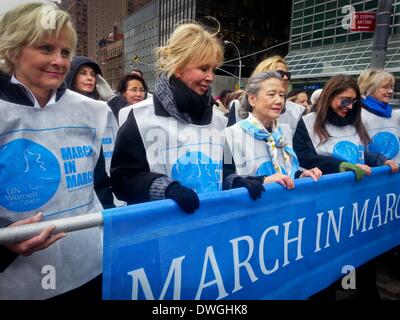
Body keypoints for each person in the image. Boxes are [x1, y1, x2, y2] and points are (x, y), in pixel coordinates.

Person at [0, 2, 118, 299]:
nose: (58, 61)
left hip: (88, 266)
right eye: (45, 49)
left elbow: (100, 186)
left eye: (66, 52)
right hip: (16, 278)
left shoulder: (92, 112)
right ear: (13, 50)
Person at [110, 23, 265, 214]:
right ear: (178, 68)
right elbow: (122, 180)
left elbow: (225, 170)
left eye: (213, 69)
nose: (210, 77)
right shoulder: (140, 118)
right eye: (203, 68)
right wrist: (165, 189)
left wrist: (237, 182)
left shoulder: (219, 120)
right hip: (162, 233)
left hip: (209, 228)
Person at [293, 74, 397, 300]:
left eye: (354, 101)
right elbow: (304, 158)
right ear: (330, 96)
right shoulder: (309, 123)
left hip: (357, 210)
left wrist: (379, 160)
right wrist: (339, 165)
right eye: (345, 100)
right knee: (327, 271)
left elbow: (362, 153)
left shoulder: (355, 120)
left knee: (362, 261)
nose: (349, 107)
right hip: (325, 212)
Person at [225, 71, 321, 190]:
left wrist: (300, 175)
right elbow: (226, 179)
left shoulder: (283, 133)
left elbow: (285, 171)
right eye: (271, 94)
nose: (279, 101)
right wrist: (263, 181)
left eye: (281, 95)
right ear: (252, 99)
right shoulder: (230, 135)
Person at [65, 56, 116, 209]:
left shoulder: (100, 108)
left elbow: (127, 119)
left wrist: (113, 99)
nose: (89, 78)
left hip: (99, 186)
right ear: (72, 76)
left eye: (93, 74)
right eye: (83, 73)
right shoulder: (58, 107)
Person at [227, 55, 305, 136]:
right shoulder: (237, 107)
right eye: (280, 73)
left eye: (287, 75)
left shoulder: (297, 112)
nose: (285, 77)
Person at [358, 69, 400, 164]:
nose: (390, 91)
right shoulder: (360, 115)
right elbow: (358, 151)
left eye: (391, 87)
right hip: (374, 175)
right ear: (370, 89)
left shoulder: (395, 115)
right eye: (385, 87)